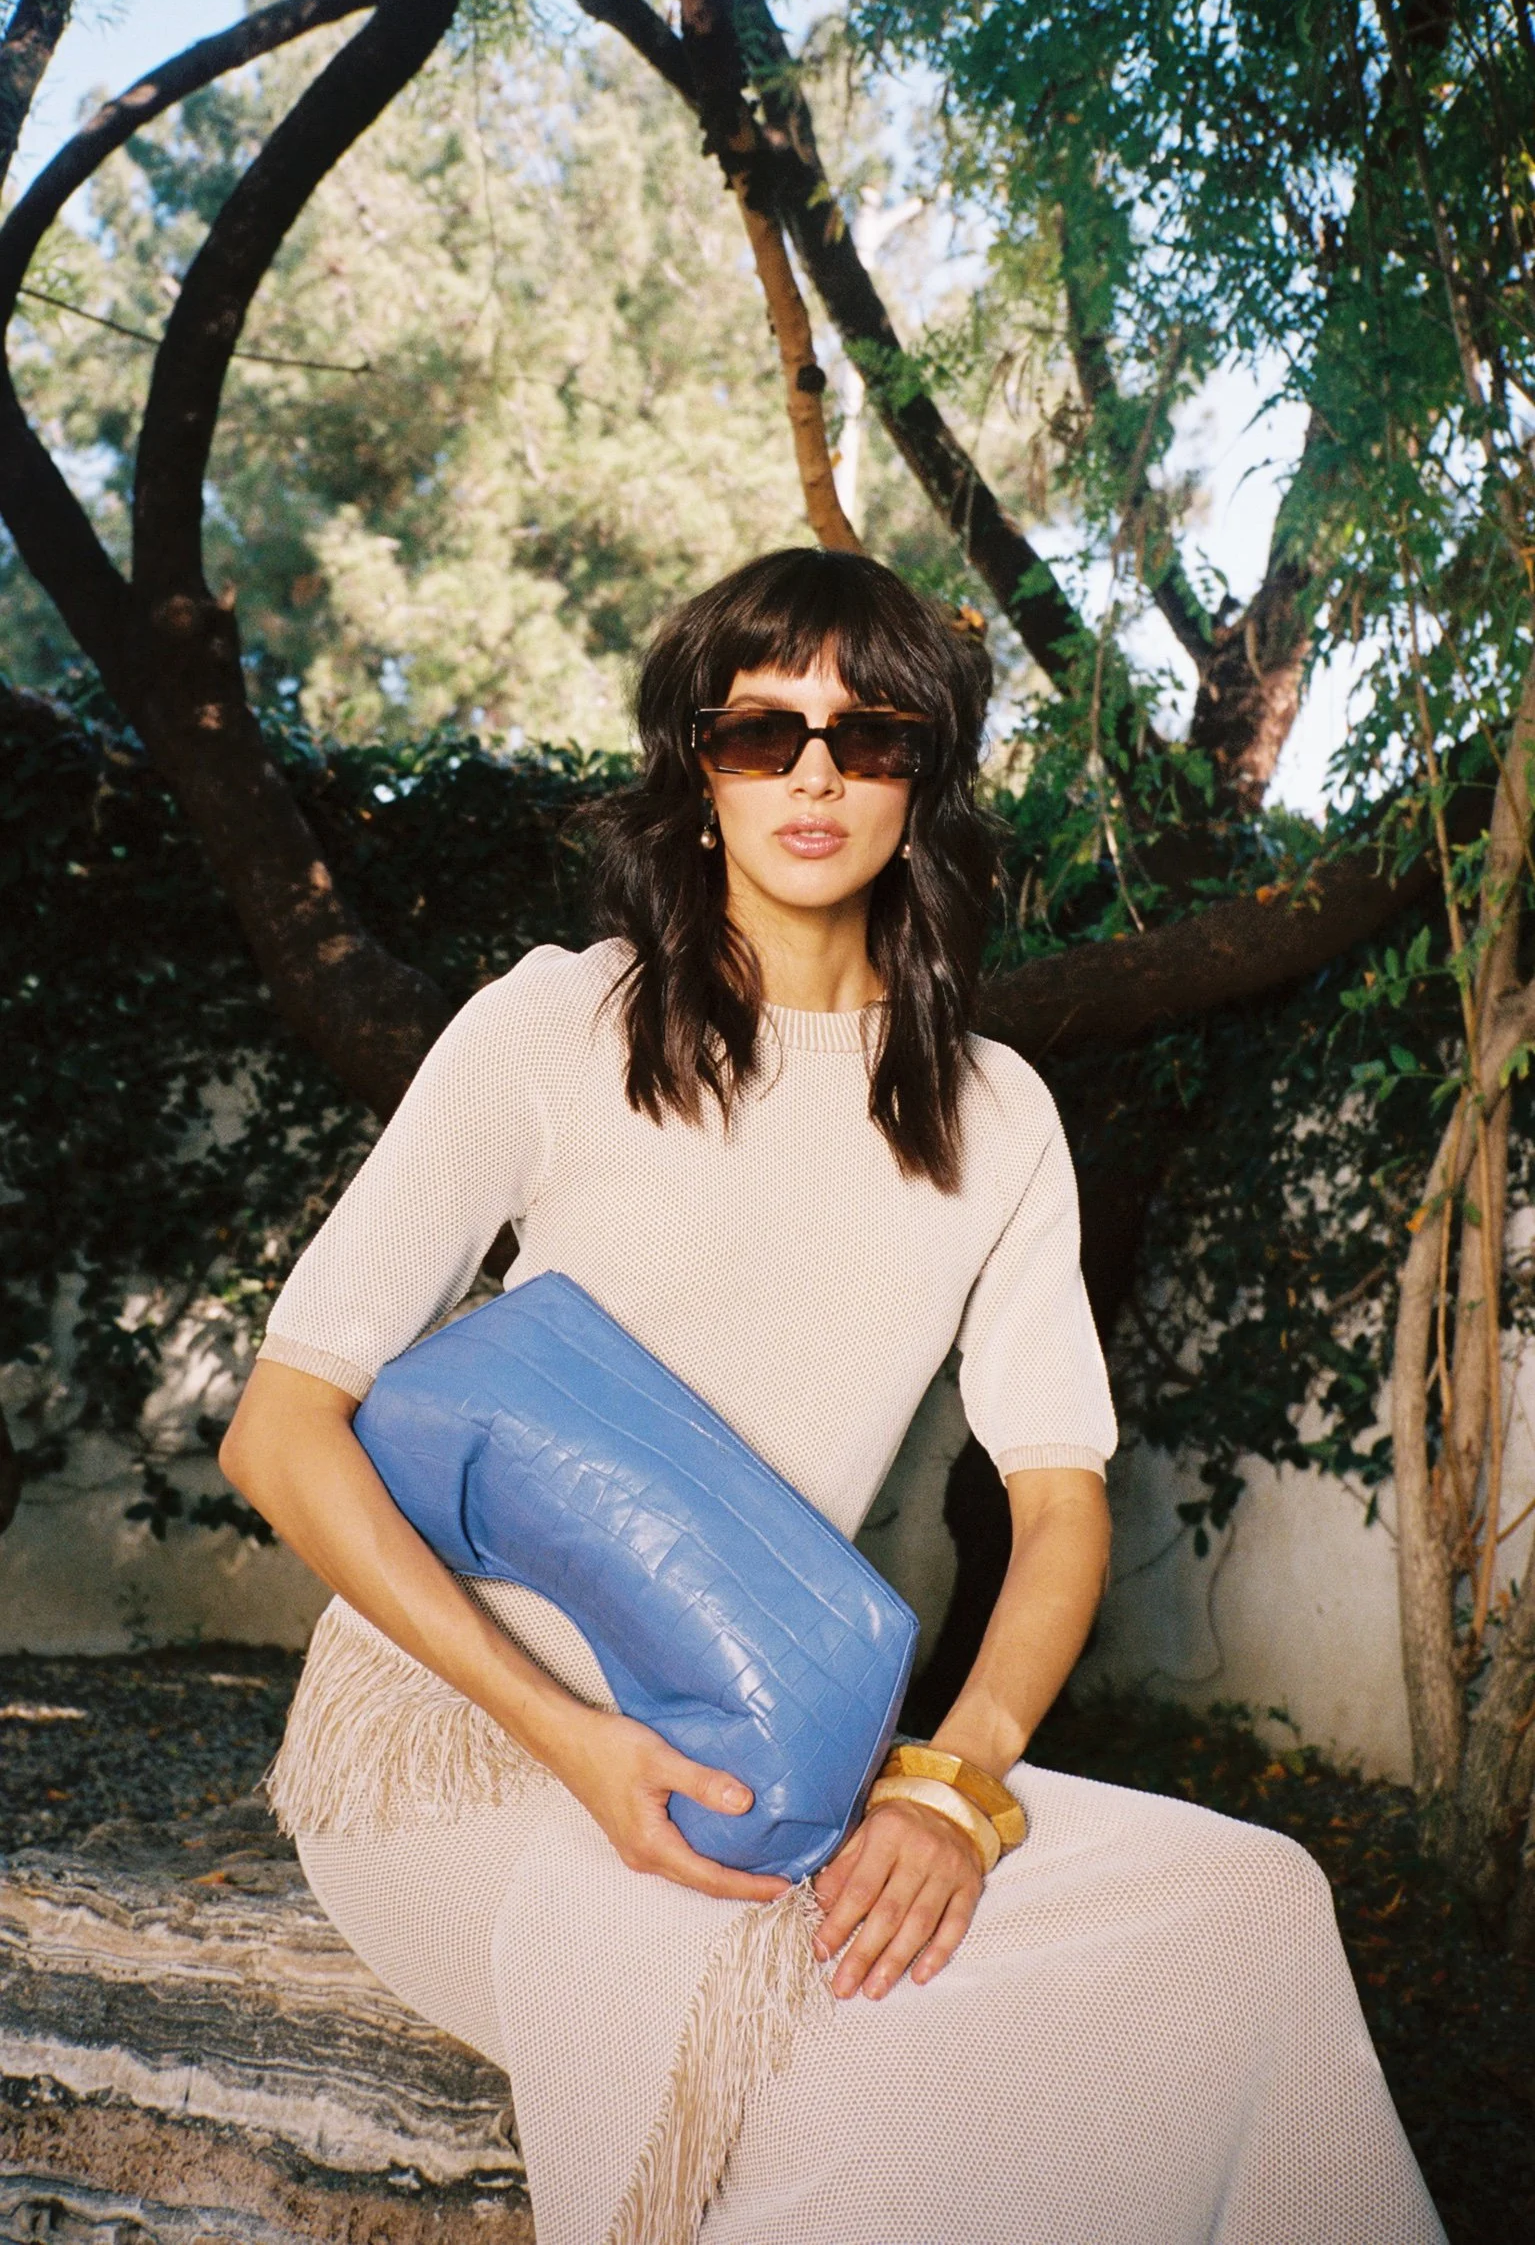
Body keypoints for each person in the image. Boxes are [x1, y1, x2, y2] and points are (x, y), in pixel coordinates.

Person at [222, 548, 1443, 2245]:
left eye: (867, 738)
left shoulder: (997, 1114)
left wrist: (955, 1782)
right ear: (694, 768)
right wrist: (573, 1742)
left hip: (771, 1752)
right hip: (462, 1752)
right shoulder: (556, 1023)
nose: (812, 772)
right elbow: (280, 1426)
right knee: (849, 2072)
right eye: (759, 730)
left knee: (1252, 1901)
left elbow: (1059, 1497)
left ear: (922, 784)